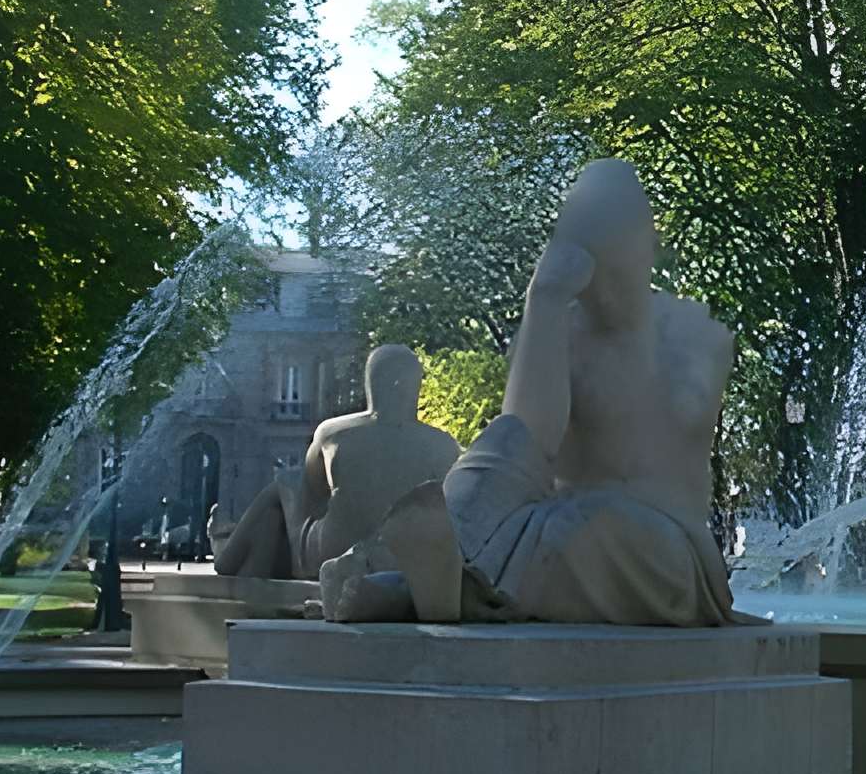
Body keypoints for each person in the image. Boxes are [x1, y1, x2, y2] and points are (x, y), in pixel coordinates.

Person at [321, 158, 750, 628]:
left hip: (658, 547)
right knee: (499, 442)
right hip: (547, 526)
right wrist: (542, 301)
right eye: (585, 247)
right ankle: (431, 577)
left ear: (649, 242)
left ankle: (421, 587)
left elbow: (660, 417)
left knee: (602, 531)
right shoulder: (561, 331)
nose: (599, 271)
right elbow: (528, 439)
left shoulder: (696, 334)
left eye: (613, 243)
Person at [210, 343, 457, 582]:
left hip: (332, 555)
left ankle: (226, 557)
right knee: (272, 519)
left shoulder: (333, 432)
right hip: (407, 558)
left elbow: (311, 497)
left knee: (284, 484)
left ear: (372, 383)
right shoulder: (445, 445)